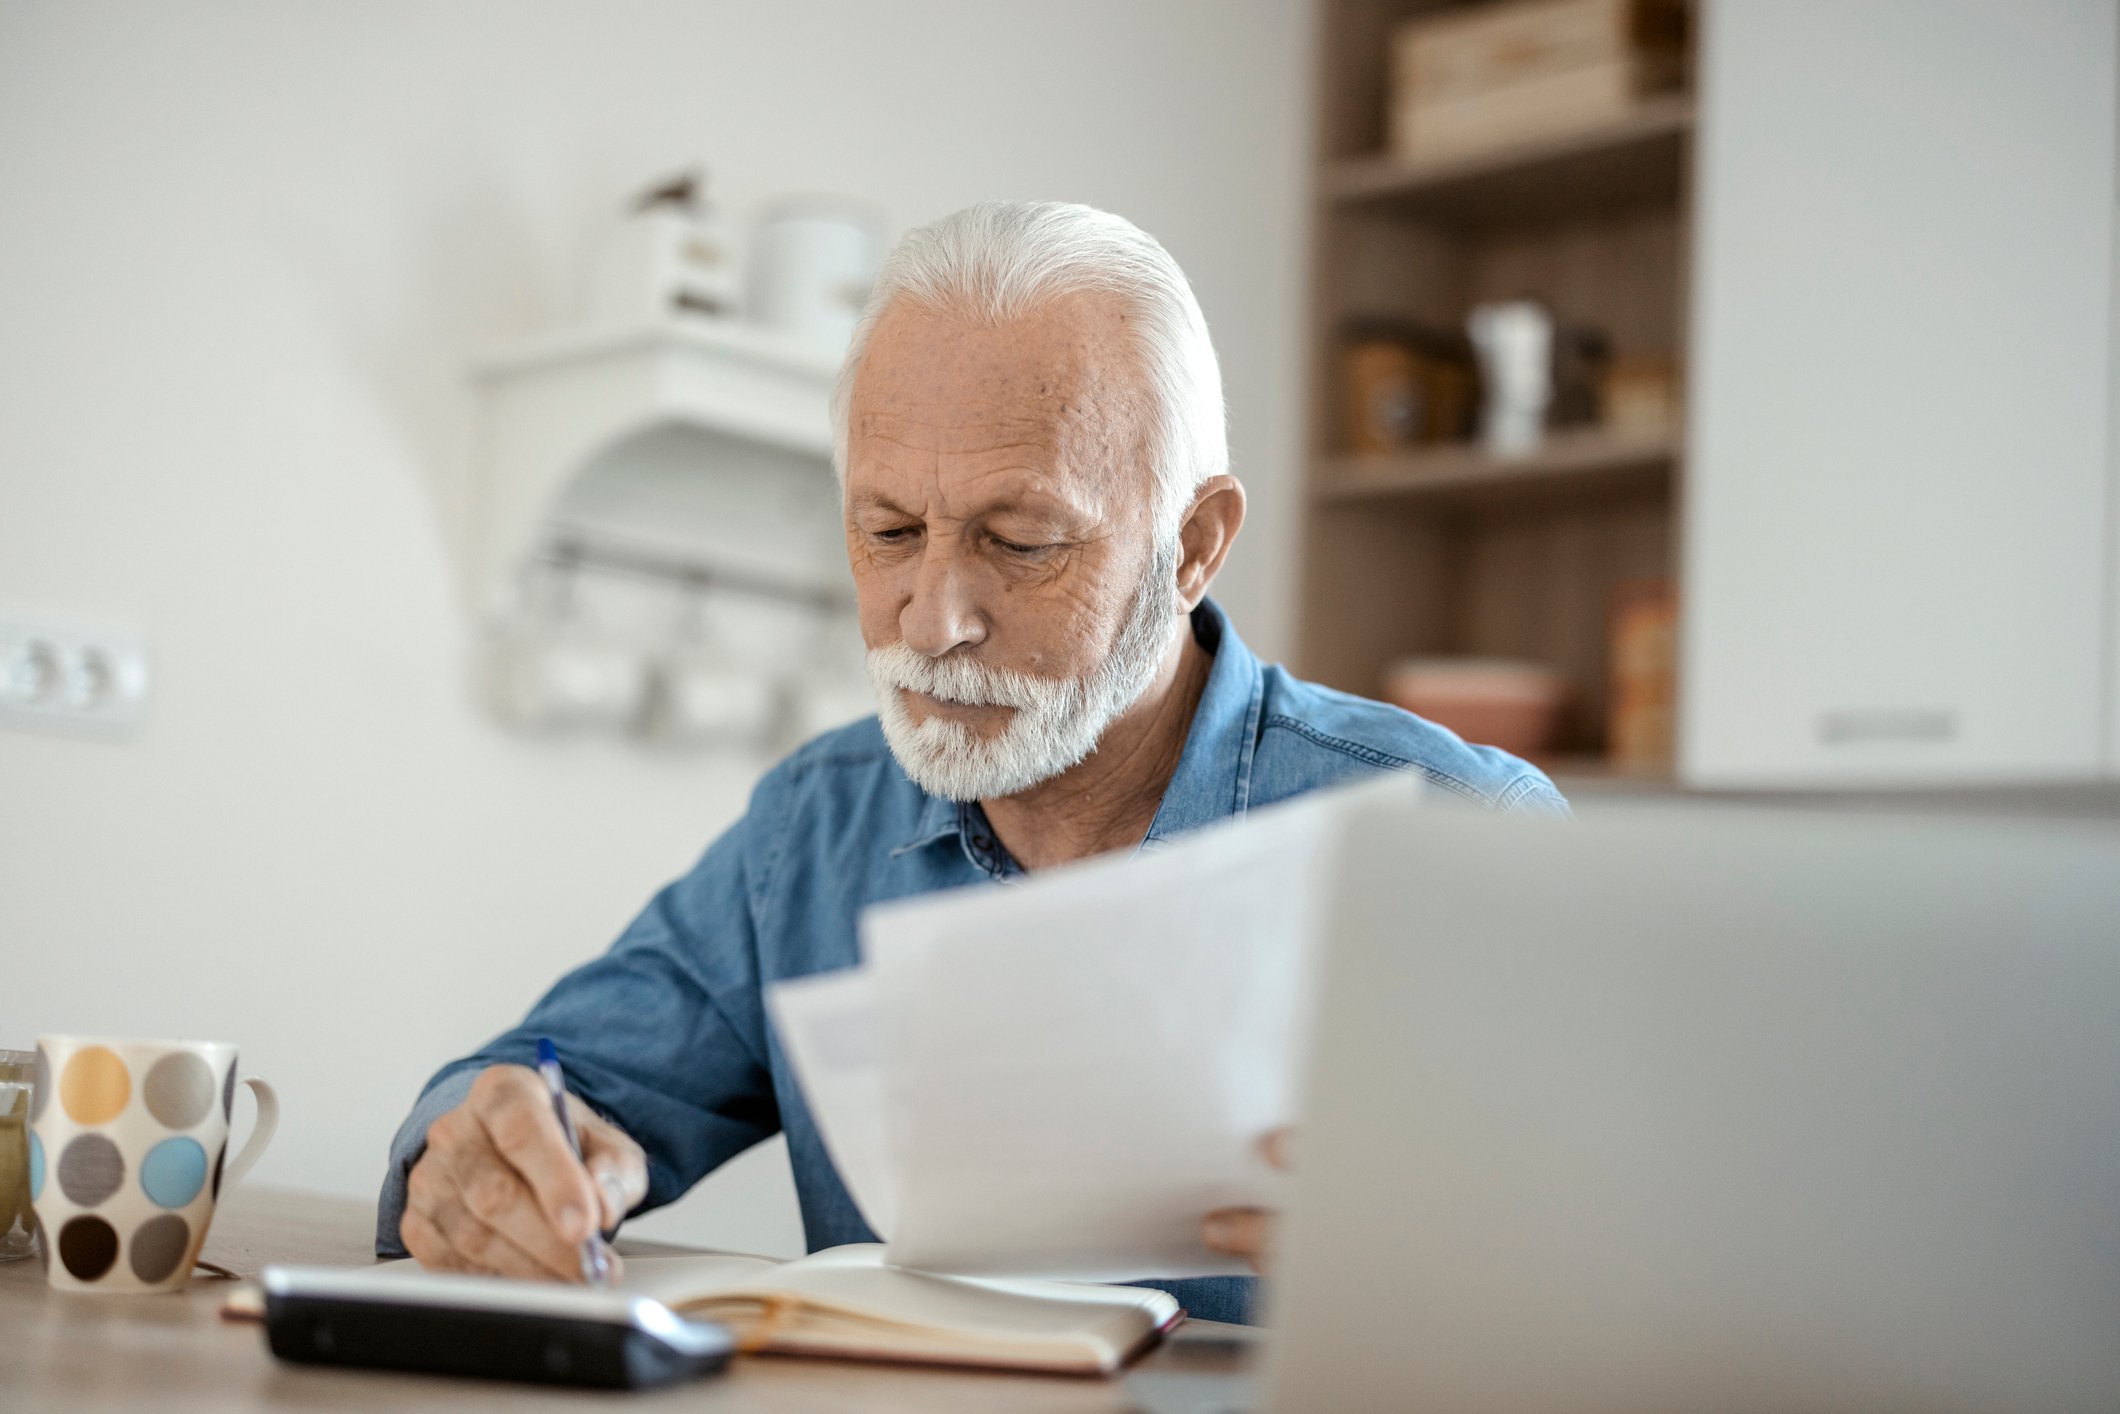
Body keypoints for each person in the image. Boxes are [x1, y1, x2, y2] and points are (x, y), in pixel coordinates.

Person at [376, 201, 1568, 1324]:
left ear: (1192, 543)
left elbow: (1691, 1295)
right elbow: (530, 1089)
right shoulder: (816, 830)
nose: (929, 618)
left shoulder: (1456, 840)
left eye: (1022, 540)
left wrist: (1467, 1262)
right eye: (888, 530)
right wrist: (485, 1162)